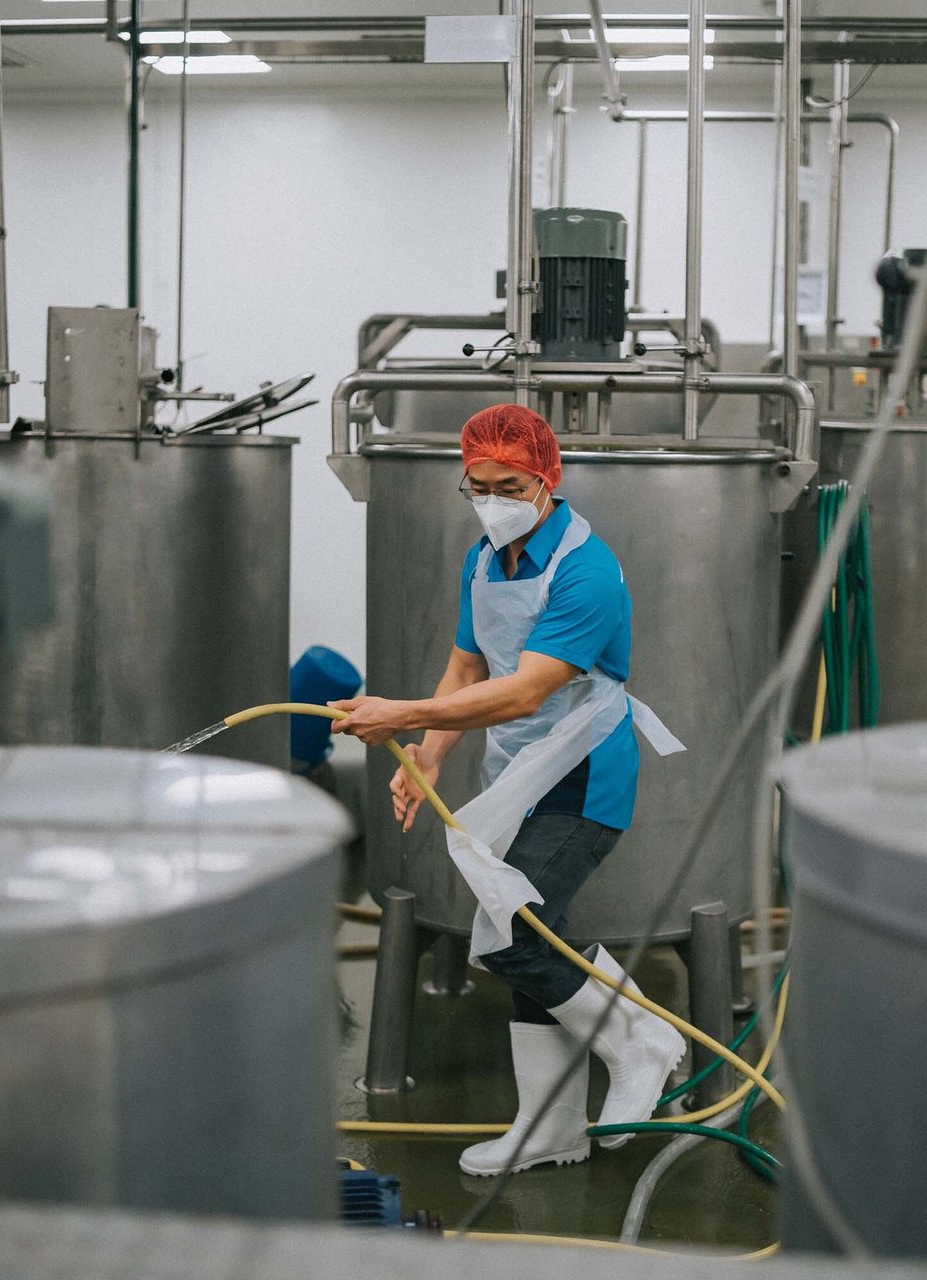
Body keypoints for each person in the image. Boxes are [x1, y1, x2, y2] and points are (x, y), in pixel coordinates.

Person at [330, 404, 686, 1177]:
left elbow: (525, 692)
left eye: (510, 484)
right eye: (478, 485)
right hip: (518, 769)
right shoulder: (485, 559)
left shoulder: (586, 570)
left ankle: (640, 1041)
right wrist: (425, 755)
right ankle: (550, 1128)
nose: (492, 499)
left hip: (581, 770)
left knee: (519, 931)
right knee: (520, 923)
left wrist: (402, 713)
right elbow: (467, 668)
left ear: (547, 479)